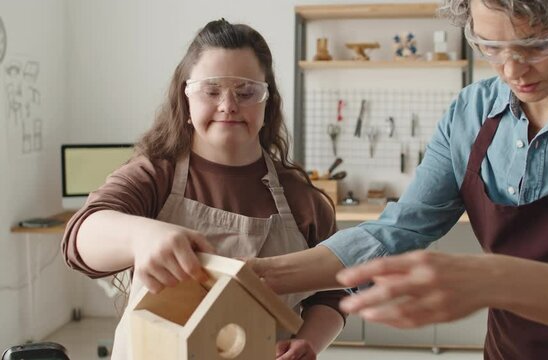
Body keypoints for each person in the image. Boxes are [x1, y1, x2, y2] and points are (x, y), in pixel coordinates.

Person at [246, 0, 548, 359]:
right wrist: (260, 275)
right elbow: (399, 229)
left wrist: (493, 279)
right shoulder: (471, 111)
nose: (511, 69)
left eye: (535, 45)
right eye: (490, 46)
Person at [61, 19, 346, 360]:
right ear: (187, 97)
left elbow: (333, 294)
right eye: (211, 91)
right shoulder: (155, 176)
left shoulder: (303, 200)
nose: (228, 105)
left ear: (267, 101)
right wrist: (142, 237)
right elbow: (79, 239)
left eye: (246, 92)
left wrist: (309, 341)